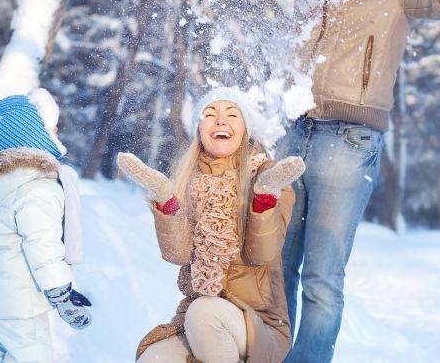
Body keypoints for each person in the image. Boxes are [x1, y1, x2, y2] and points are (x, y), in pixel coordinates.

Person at [153, 0, 440, 363]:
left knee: (322, 278)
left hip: (349, 141)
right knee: (272, 263)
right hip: (295, 132)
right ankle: (265, 354)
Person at [118, 88, 306, 363]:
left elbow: (262, 253)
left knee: (205, 313)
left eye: (232, 114)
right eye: (210, 114)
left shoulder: (267, 177)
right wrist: (166, 199)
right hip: (198, 319)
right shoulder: (188, 181)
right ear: (199, 129)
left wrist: (263, 200)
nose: (220, 121)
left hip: (257, 322)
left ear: (245, 129)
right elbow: (178, 254)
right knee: (154, 357)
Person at [0, 88, 91, 362]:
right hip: (20, 300)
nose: (57, 129)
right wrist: (61, 293)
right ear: (31, 136)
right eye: (51, 127)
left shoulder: (5, 188)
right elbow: (42, 246)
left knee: (1, 351)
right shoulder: (37, 190)